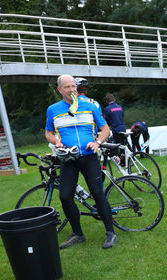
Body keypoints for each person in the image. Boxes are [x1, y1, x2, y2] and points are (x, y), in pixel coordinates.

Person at [45, 74, 117, 249]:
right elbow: (48, 132)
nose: (71, 90)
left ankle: (110, 233)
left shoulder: (89, 106)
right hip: (68, 159)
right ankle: (77, 233)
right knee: (64, 196)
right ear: (59, 90)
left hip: (89, 156)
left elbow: (105, 128)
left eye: (73, 87)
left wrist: (98, 142)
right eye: (67, 87)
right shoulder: (53, 109)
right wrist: (56, 142)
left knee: (98, 194)